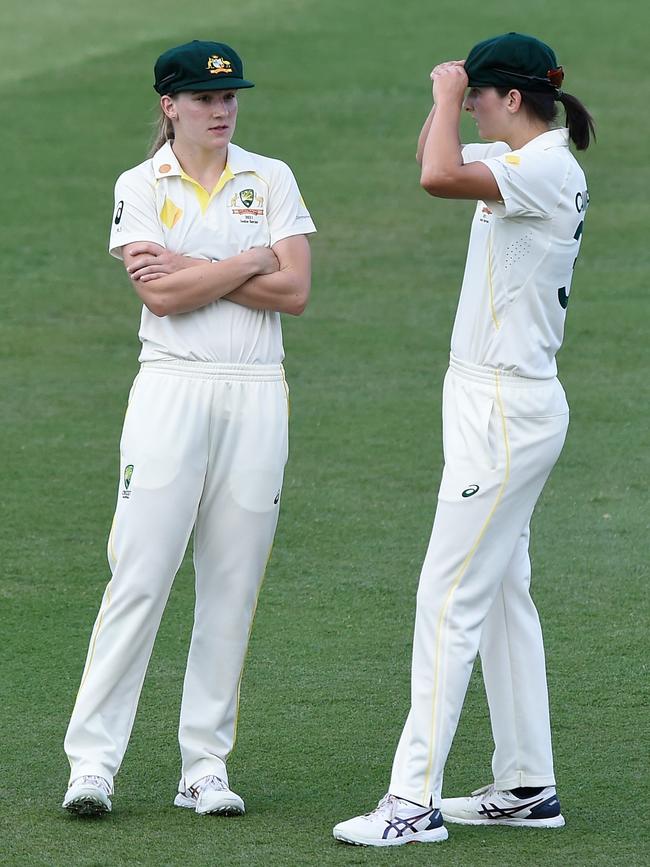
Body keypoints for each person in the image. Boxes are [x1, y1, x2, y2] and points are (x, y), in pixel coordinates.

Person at [333, 32, 594, 847]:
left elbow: (436, 173)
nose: (470, 104)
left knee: (447, 598)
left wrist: (449, 93)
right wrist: (447, 98)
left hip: (505, 413)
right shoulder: (527, 153)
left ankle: (411, 802)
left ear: (511, 99)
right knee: (504, 595)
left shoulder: (543, 168)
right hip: (493, 401)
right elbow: (434, 153)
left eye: (481, 94)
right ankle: (526, 783)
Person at [62, 39, 316, 817]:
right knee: (139, 575)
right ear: (169, 105)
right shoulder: (140, 184)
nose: (222, 109)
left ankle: (203, 766)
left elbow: (297, 289)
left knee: (232, 585)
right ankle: (93, 765)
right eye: (206, 99)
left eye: (230, 97)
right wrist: (249, 260)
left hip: (256, 394)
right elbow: (161, 301)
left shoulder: (269, 176)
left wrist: (200, 266)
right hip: (171, 391)